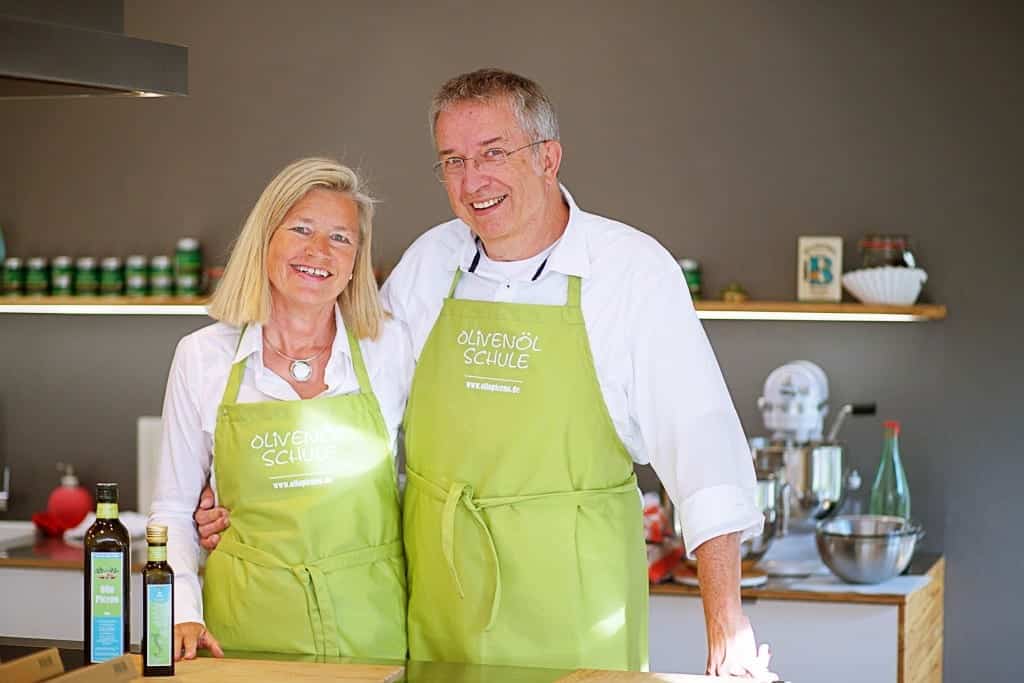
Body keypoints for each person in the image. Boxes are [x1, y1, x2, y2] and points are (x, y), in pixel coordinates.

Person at [198, 69, 775, 679]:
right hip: (440, 602)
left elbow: (703, 448)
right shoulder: (430, 264)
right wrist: (244, 489)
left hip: (574, 606)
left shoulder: (631, 272)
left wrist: (726, 621)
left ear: (548, 157)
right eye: (452, 160)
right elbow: (348, 399)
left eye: (494, 153)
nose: (473, 180)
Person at [150, 157, 411, 661]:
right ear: (264, 240)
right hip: (245, 627)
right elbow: (174, 509)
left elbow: (417, 479)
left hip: (371, 626)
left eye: (341, 238)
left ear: (356, 260)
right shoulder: (203, 356)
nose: (319, 251)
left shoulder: (391, 348)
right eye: (301, 229)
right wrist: (181, 608)